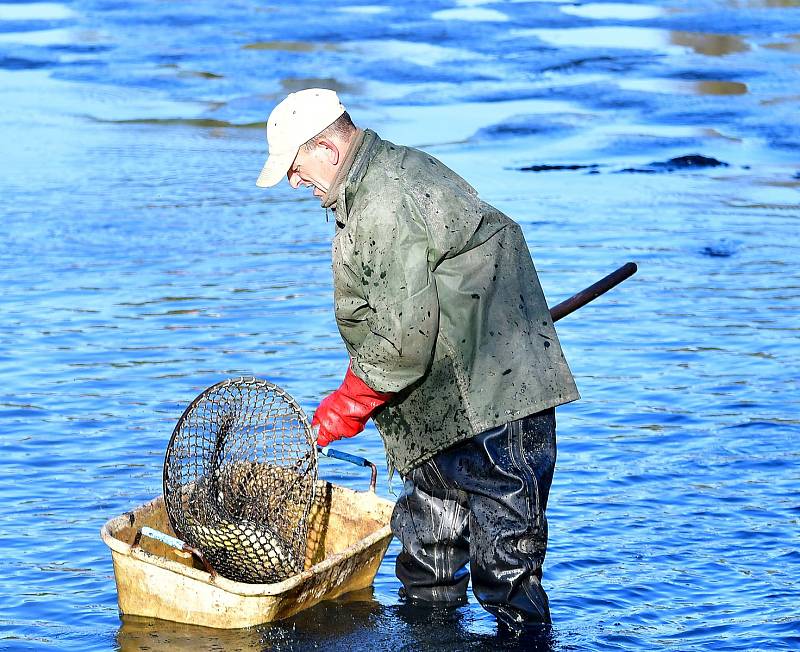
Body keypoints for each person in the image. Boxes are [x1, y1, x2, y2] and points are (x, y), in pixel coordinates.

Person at [255, 88, 579, 631]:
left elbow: (402, 342)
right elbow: (393, 321)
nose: (293, 181)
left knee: (506, 575)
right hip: (438, 401)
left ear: (328, 152)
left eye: (294, 166)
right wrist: (360, 386)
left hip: (495, 405)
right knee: (428, 572)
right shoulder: (367, 189)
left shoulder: (384, 197)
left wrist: (351, 402)